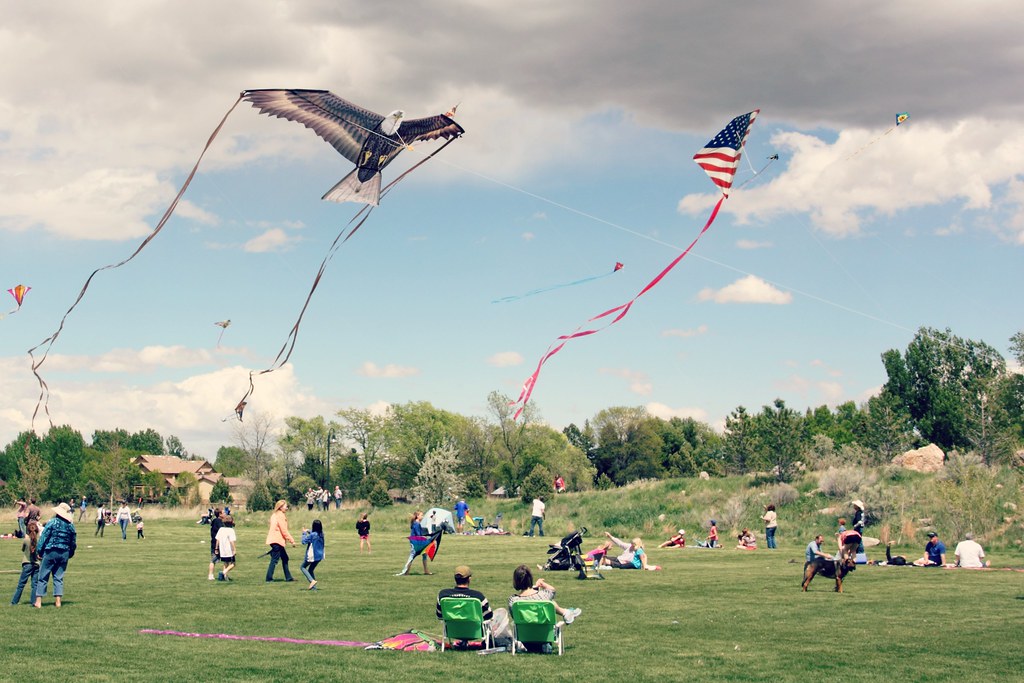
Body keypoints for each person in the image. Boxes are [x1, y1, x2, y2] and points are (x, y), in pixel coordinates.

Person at [436, 564, 498, 646]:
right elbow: (489, 615)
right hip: (475, 632)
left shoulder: (443, 595)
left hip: (453, 631)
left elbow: (439, 615)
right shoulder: (478, 596)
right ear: (469, 579)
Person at [34, 502, 77, 609]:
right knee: (58, 577)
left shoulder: (52, 522)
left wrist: (39, 551)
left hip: (51, 551)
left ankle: (38, 602)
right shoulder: (70, 526)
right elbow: (73, 542)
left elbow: (44, 537)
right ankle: (58, 602)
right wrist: (70, 553)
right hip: (64, 552)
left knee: (43, 575)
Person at [508, 564, 581, 626]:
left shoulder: (514, 601)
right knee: (551, 602)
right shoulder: (543, 596)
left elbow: (514, 617)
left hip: (523, 636)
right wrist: (542, 584)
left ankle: (566, 613)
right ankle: (566, 613)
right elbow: (552, 590)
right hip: (545, 636)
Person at [265, 500, 297, 581]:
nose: (287, 508)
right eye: (285, 506)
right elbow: (284, 530)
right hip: (277, 541)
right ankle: (269, 578)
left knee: (285, 558)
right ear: (280, 507)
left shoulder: (274, 515)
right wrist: (292, 540)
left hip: (274, 540)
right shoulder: (280, 516)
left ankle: (288, 577)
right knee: (275, 560)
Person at [11, 520, 40, 605]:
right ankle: (33, 601)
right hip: (37, 564)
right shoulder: (39, 540)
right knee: (35, 584)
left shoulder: (26, 540)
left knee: (21, 584)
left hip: (27, 563)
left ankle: (14, 601)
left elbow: (23, 549)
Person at [397, 510, 432, 576]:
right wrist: (426, 538)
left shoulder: (417, 523)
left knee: (424, 554)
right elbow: (418, 534)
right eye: (421, 515)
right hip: (415, 542)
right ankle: (406, 571)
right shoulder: (416, 524)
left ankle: (426, 570)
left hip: (419, 541)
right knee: (412, 556)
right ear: (417, 516)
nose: (422, 516)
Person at [300, 519, 325, 590]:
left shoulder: (312, 535)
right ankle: (314, 588)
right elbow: (314, 533)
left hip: (312, 556)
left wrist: (304, 533)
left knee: (302, 567)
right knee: (311, 570)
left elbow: (303, 542)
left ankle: (312, 581)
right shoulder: (322, 534)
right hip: (320, 556)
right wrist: (308, 530)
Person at [215, 515, 237, 581]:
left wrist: (216, 548)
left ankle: (225, 577)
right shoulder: (231, 530)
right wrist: (234, 549)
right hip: (228, 550)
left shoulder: (221, 529)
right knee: (233, 564)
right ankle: (223, 572)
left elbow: (217, 539)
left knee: (225, 563)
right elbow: (231, 541)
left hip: (222, 549)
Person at [207, 507, 223, 581]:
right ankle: (210, 575)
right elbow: (222, 530)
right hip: (217, 544)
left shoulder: (214, 521)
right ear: (219, 514)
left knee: (217, 560)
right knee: (213, 560)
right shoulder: (218, 521)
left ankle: (223, 575)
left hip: (213, 542)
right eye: (222, 513)